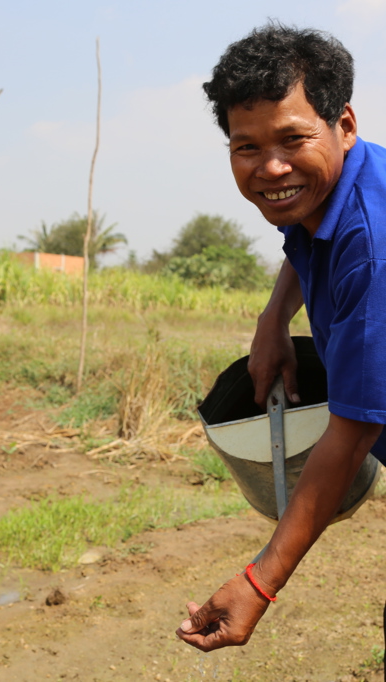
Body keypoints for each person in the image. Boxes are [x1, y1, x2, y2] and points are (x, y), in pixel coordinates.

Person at [176, 23, 386, 655]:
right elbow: (305, 235)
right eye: (247, 147)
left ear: (342, 124)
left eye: (293, 139)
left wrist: (258, 583)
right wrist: (275, 319)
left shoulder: (374, 253)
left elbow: (348, 439)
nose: (271, 167)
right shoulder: (343, 181)